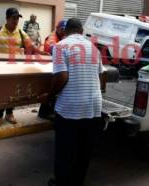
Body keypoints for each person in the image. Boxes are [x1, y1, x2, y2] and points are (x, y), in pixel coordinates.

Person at [48, 18, 104, 186]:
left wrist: (50, 95)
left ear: (65, 32)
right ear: (81, 31)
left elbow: (62, 77)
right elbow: (101, 79)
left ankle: (61, 183)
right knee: (84, 151)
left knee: (65, 151)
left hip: (69, 109)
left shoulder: (61, 46)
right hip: (94, 107)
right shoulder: (94, 49)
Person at [0, 7, 48, 129]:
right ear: (7, 18)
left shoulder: (21, 33)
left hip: (15, 67)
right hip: (0, 67)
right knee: (0, 92)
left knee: (12, 91)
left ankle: (9, 114)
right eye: (13, 18)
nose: (15, 21)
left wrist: (42, 53)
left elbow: (30, 46)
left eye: (17, 18)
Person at [38, 19, 67, 119]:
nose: (64, 31)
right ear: (57, 28)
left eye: (65, 29)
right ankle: (44, 113)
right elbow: (53, 49)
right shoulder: (52, 37)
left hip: (54, 64)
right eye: (62, 29)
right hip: (46, 64)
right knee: (51, 87)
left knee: (53, 88)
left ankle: (45, 112)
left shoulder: (63, 36)